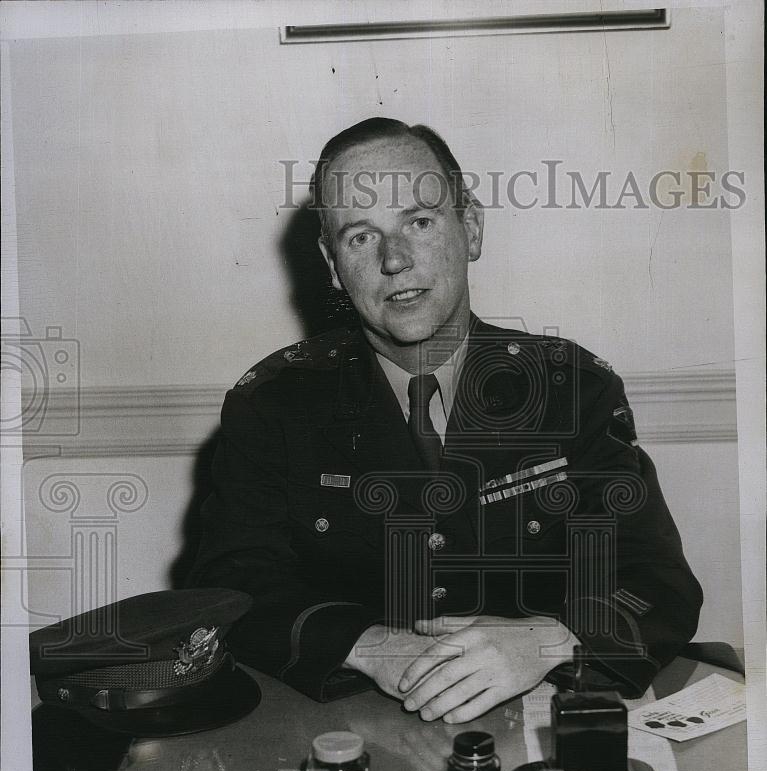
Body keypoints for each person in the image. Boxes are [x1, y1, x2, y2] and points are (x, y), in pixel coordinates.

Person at [188, 117, 702, 722]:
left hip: (544, 711)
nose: (395, 260)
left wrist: (549, 639)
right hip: (352, 722)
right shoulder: (272, 406)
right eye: (360, 237)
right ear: (331, 264)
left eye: (420, 222)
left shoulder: (574, 390)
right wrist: (369, 646)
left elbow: (658, 582)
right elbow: (229, 590)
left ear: (473, 228)